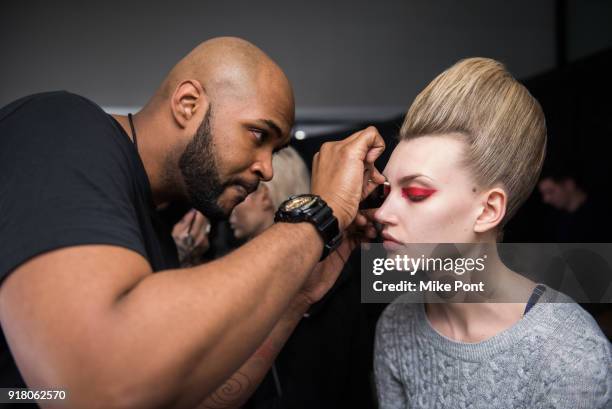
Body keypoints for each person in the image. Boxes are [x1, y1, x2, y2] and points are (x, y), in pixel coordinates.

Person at [0, 37, 385, 409]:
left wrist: (297, 297)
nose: (266, 169)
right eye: (257, 133)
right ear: (187, 104)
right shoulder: (61, 129)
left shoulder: (156, 234)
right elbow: (92, 389)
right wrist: (320, 213)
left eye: (275, 150)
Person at [373, 58, 611, 408]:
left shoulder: (570, 353)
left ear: (488, 210)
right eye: (385, 191)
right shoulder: (395, 325)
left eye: (416, 193)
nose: (382, 213)